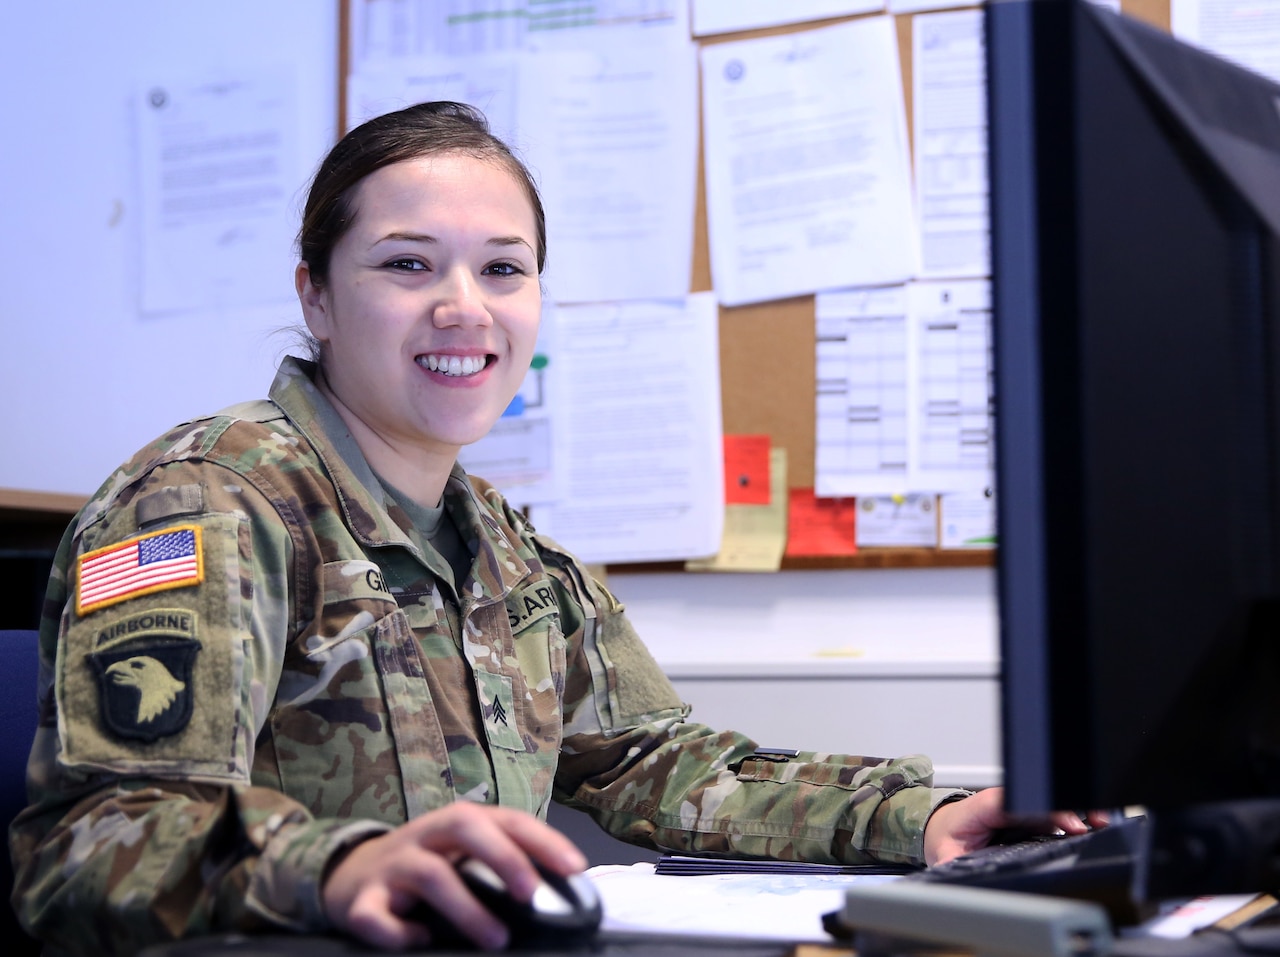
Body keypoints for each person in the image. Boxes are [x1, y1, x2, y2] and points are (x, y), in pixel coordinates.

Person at [9, 101, 1089, 955]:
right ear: (318, 295)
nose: (464, 305)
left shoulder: (506, 547)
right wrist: (339, 868)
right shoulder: (207, 503)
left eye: (503, 267)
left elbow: (663, 768)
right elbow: (93, 848)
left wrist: (924, 818)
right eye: (405, 262)